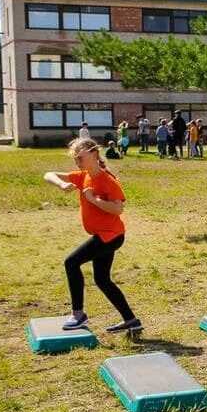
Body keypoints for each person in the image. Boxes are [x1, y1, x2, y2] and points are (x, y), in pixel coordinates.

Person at [42, 138, 141, 334]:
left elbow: (117, 209)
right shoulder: (83, 176)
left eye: (80, 157)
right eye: (74, 158)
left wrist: (93, 200)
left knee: (71, 262)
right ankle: (131, 320)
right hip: (104, 235)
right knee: (102, 279)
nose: (77, 162)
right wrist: (61, 185)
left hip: (110, 235)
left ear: (94, 154)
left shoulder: (106, 180)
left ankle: (78, 314)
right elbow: (48, 174)